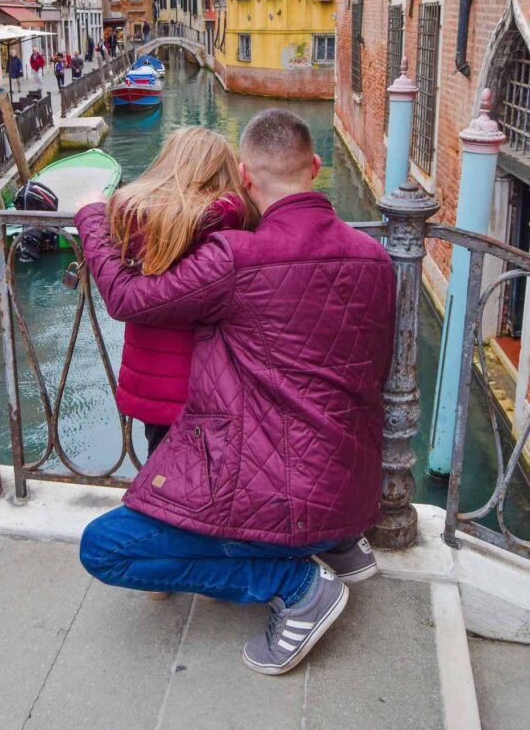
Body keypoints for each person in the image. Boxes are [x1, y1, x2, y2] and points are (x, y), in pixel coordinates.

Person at [74, 109, 396, 676]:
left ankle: (295, 584)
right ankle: (339, 545)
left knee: (105, 548)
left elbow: (127, 299)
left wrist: (93, 220)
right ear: (316, 168)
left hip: (281, 499)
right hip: (351, 492)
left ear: (244, 176)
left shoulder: (234, 258)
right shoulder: (375, 258)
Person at [107, 127, 253, 457]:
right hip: (219, 389)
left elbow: (125, 295)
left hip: (155, 389)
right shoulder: (238, 223)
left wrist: (90, 213)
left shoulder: (135, 223)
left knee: (163, 480)